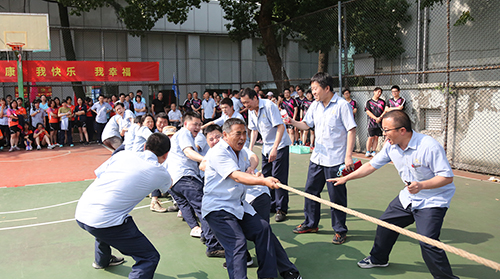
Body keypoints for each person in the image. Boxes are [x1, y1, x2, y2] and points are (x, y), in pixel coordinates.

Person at [328, 110, 459, 279]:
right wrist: (347, 178)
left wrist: (422, 185)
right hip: (409, 196)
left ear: (402, 130)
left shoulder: (428, 146)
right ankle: (378, 258)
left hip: (432, 200)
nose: (384, 135)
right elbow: (371, 166)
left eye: (386, 130)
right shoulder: (391, 146)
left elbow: (447, 177)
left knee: (428, 241)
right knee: (386, 224)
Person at [202, 118, 302, 279]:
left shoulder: (241, 152)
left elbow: (250, 162)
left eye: (244, 133)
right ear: (225, 135)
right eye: (238, 134)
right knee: (237, 243)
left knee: (263, 229)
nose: (242, 137)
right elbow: (236, 176)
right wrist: (263, 180)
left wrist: (253, 172)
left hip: (238, 205)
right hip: (218, 209)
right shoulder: (218, 152)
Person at [75, 133, 172, 279]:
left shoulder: (123, 155)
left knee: (103, 227)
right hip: (103, 221)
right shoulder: (160, 172)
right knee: (149, 257)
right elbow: (168, 186)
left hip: (81, 212)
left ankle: (102, 261)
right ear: (166, 155)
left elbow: (99, 173)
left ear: (145, 146)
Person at [284, 72, 356, 245]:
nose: (313, 92)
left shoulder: (341, 106)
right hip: (317, 158)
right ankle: (311, 223)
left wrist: (348, 157)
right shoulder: (315, 106)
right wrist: (292, 121)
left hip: (336, 160)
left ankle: (340, 230)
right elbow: (306, 125)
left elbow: (351, 130)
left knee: (336, 197)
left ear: (327, 88)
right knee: (310, 192)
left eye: (316, 89)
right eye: (312, 89)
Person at [166, 112, 224, 257]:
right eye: (195, 124)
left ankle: (205, 234)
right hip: (185, 178)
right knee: (206, 208)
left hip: (173, 182)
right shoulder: (184, 133)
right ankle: (213, 246)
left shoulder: (185, 136)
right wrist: (207, 161)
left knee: (188, 206)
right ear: (185, 124)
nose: (198, 127)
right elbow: (188, 152)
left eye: (199, 124)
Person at [241, 88, 292, 223]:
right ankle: (272, 203)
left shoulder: (269, 106)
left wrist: (275, 148)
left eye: (247, 102)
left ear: (255, 98)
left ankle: (281, 209)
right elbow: (254, 131)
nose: (246, 106)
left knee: (278, 177)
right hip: (266, 148)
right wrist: (250, 149)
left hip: (279, 145)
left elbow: (280, 127)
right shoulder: (252, 111)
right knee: (266, 174)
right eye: (243, 103)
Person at [365, 87, 386, 157]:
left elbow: (385, 111)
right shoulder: (369, 102)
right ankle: (368, 151)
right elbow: (368, 112)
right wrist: (375, 118)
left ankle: (373, 151)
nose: (379, 93)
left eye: (380, 92)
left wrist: (380, 118)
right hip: (371, 123)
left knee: (376, 137)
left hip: (379, 122)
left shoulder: (383, 102)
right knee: (370, 137)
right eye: (378, 92)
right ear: (374, 92)